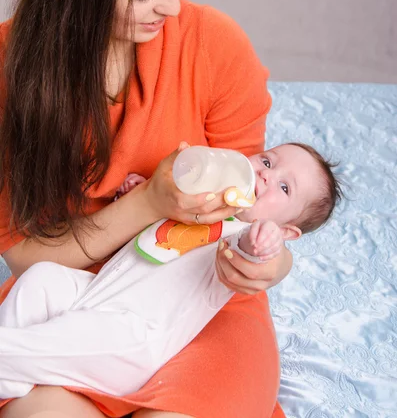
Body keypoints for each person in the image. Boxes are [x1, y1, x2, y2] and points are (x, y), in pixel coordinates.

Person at [0, 0, 283, 418]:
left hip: (198, 299)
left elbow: (245, 211)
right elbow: (25, 253)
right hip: (80, 298)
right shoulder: (10, 69)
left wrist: (263, 263)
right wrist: (149, 201)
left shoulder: (216, 48)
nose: (173, 7)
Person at [0, 143, 341, 400]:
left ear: (287, 231)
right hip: (96, 293)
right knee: (41, 278)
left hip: (133, 337)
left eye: (284, 188)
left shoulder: (239, 235)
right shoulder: (203, 201)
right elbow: (151, 219)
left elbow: (251, 254)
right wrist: (137, 191)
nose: (267, 174)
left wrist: (265, 242)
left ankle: (12, 357)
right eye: (267, 161)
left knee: (73, 334)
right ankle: (12, 378)